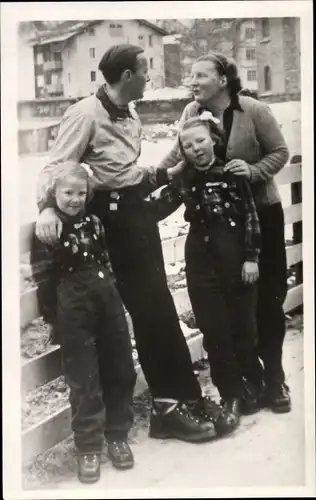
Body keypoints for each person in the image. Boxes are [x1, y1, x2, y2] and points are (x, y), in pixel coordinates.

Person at [35, 44, 238, 445]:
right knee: (149, 315)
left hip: (135, 215)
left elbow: (127, 172)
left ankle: (187, 400)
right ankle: (168, 409)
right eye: (145, 72)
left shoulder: (130, 112)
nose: (150, 78)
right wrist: (46, 208)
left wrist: (170, 171)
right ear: (127, 76)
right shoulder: (84, 113)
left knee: (160, 311)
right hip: (110, 223)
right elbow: (57, 168)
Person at [158, 52, 291, 413]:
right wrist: (149, 181)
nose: (193, 81)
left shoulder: (254, 110)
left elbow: (280, 152)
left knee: (266, 301)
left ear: (223, 79)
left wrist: (253, 170)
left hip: (260, 212)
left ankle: (275, 378)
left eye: (201, 75)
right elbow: (178, 155)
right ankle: (245, 382)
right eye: (191, 75)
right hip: (217, 225)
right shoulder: (190, 113)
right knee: (231, 308)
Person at [150, 115, 264, 423]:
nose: (195, 149)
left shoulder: (233, 172)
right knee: (214, 330)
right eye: (187, 145)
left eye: (200, 141)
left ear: (213, 139)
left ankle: (253, 383)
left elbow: (252, 217)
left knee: (243, 327)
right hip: (200, 259)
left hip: (235, 256)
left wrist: (251, 258)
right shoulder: (184, 178)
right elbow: (158, 208)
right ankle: (230, 395)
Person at [31, 161, 136, 483]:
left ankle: (117, 436)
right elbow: (43, 278)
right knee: (83, 378)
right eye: (67, 193)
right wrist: (52, 318)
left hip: (106, 300)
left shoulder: (93, 221)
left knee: (120, 368)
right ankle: (88, 448)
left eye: (80, 193)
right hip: (72, 308)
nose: (75, 199)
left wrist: (113, 294)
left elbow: (104, 258)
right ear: (54, 194)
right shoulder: (48, 229)